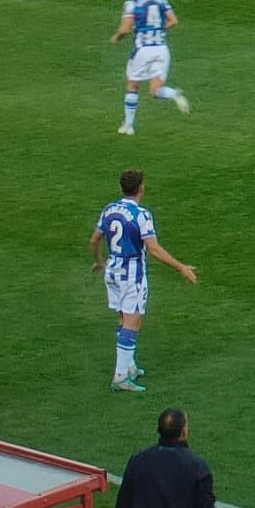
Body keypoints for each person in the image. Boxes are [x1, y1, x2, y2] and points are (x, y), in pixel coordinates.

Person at [92, 168, 198, 393]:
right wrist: (181, 267)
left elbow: (94, 240)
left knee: (125, 318)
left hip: (112, 271)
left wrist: (99, 261)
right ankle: (120, 377)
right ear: (141, 188)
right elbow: (153, 249)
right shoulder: (141, 215)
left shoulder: (109, 209)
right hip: (132, 275)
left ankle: (128, 366)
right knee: (133, 322)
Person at [110, 0, 190, 135]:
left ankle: (129, 126)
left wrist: (117, 37)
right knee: (155, 90)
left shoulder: (132, 2)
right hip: (161, 49)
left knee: (132, 85)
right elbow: (173, 21)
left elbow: (125, 28)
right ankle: (175, 94)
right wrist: (159, 31)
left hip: (143, 50)